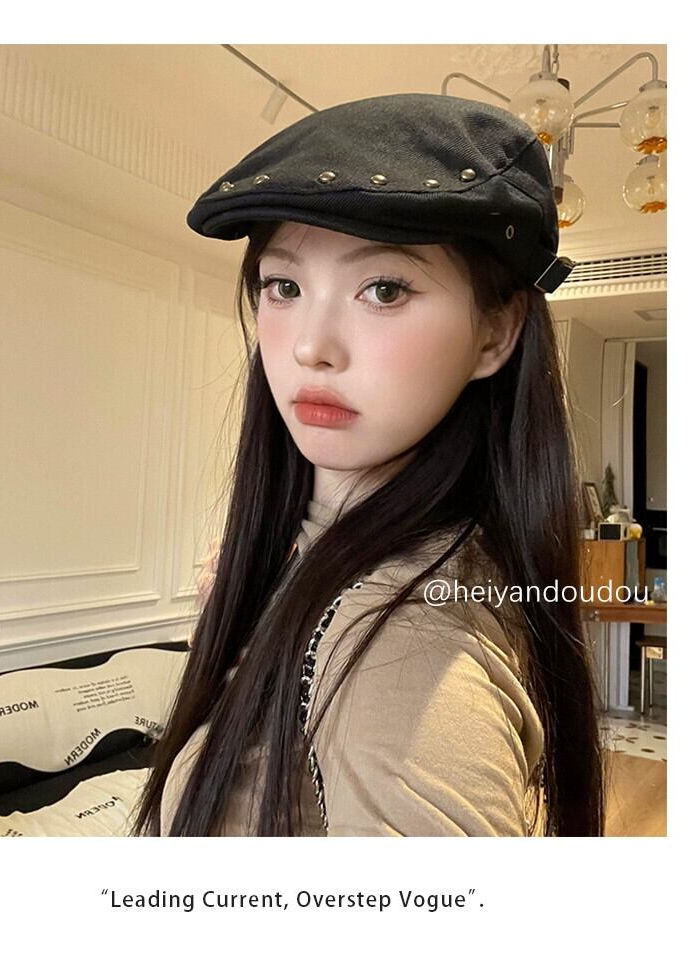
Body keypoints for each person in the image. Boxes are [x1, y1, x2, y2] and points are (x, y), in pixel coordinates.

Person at [131, 92, 605, 837]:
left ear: (494, 333)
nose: (310, 345)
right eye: (285, 286)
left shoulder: (405, 646)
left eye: (383, 289)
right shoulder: (300, 554)